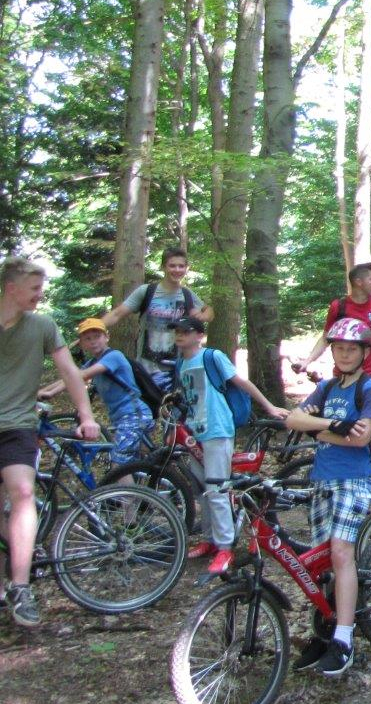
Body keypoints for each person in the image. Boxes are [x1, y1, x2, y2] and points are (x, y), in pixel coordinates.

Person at [0, 257, 101, 626]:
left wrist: (86, 415)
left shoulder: (42, 326)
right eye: (34, 288)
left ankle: (21, 586)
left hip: (18, 425)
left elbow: (70, 372)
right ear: (11, 288)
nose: (40, 295)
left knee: (23, 491)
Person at [285, 319, 371, 677]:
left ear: (364, 352)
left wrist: (317, 430)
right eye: (339, 348)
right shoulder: (326, 388)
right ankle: (326, 630)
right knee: (322, 561)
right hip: (321, 479)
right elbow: (293, 420)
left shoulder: (370, 389)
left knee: (342, 552)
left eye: (351, 349)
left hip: (354, 479)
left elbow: (361, 439)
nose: (344, 354)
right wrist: (332, 425)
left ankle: (344, 638)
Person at [172, 317, 287, 575]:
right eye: (177, 331)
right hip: (195, 430)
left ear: (199, 335)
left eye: (186, 331)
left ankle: (225, 547)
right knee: (201, 489)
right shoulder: (181, 363)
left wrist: (269, 406)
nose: (180, 335)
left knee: (217, 488)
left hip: (217, 429)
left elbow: (240, 382)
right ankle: (210, 539)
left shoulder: (212, 357)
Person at [38, 317, 153, 472]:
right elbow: (70, 377)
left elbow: (81, 376)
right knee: (135, 462)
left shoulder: (114, 356)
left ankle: (126, 490)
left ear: (107, 337)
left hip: (134, 415)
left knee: (118, 467)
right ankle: (150, 484)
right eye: (88, 338)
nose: (93, 342)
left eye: (97, 336)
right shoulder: (92, 362)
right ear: (82, 343)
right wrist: (43, 391)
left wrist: (51, 392)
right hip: (121, 417)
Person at [102, 247, 213, 390]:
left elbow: (208, 311)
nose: (177, 270)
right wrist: (94, 328)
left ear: (187, 268)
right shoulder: (147, 291)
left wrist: (204, 315)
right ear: (163, 267)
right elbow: (117, 314)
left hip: (177, 371)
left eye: (181, 266)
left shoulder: (187, 295)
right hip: (146, 371)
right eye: (172, 265)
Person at [295, 262, 371, 380]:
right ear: (359, 282)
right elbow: (325, 339)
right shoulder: (338, 307)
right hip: (342, 377)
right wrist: (307, 361)